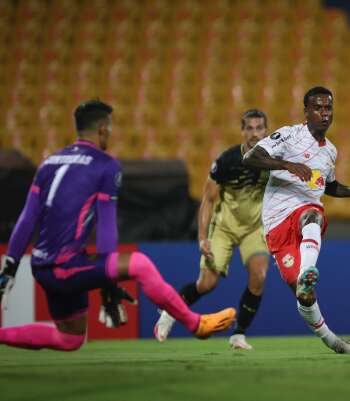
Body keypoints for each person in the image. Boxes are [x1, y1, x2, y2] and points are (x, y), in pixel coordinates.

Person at [0, 100, 236, 351]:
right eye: (110, 130)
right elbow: (106, 227)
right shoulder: (105, 164)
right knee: (139, 264)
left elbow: (27, 217)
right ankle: (195, 324)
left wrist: (10, 267)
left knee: (70, 339)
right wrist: (109, 282)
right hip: (64, 265)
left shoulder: (49, 163)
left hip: (43, 265)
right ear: (103, 129)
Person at [243, 86, 350, 354]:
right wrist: (287, 165)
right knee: (304, 296)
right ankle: (332, 341)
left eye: (328, 108)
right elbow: (250, 157)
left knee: (312, 212)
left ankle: (307, 271)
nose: (324, 114)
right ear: (307, 112)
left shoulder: (330, 152)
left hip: (305, 212)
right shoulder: (289, 135)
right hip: (277, 222)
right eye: (318, 108)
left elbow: (327, 185)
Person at [154, 109, 271, 349]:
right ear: (242, 131)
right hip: (224, 227)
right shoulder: (227, 160)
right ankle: (169, 313)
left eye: (259, 128)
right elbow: (207, 199)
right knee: (207, 283)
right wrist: (202, 238)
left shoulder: (275, 160)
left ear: (266, 131)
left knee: (259, 275)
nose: (254, 133)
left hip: (254, 228)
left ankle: (239, 335)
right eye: (249, 128)